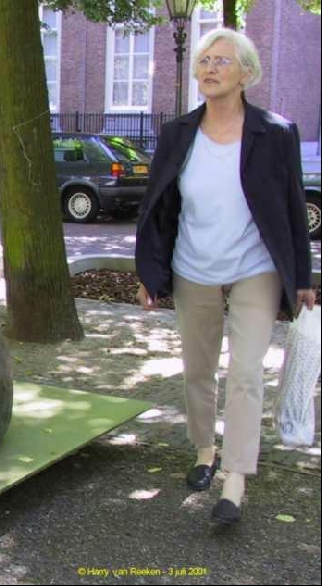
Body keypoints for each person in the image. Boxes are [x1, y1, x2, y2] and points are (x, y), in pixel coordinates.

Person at [134, 28, 315, 525]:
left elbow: (293, 207)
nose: (210, 68)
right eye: (204, 60)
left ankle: (235, 476)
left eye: (222, 61)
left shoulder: (275, 133)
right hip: (193, 265)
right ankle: (204, 450)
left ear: (246, 75)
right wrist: (149, 271)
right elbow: (157, 208)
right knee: (198, 368)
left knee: (246, 371)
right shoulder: (178, 134)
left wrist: (302, 276)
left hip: (256, 266)